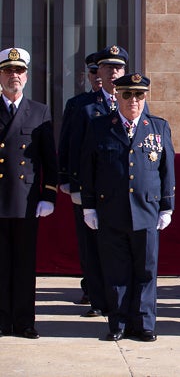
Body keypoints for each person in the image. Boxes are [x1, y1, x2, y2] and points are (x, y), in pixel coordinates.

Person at [81, 73, 175, 342]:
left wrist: (167, 206)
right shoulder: (100, 127)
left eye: (139, 95)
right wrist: (88, 206)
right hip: (112, 211)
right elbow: (88, 169)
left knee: (146, 270)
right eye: (127, 94)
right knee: (116, 270)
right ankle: (119, 323)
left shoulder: (158, 127)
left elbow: (167, 171)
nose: (133, 100)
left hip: (147, 211)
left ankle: (145, 323)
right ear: (117, 96)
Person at [67, 45, 130, 319]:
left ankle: (120, 299)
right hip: (90, 187)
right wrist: (71, 184)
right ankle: (95, 297)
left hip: (121, 189)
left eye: (118, 68)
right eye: (107, 68)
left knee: (119, 244)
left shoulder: (134, 101)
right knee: (91, 245)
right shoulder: (81, 105)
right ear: (98, 74)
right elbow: (70, 145)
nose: (113, 73)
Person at [0, 47, 58, 339]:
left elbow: (50, 159)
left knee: (24, 266)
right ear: (0, 76)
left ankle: (24, 322)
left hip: (26, 202)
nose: (14, 76)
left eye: (19, 71)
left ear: (26, 76)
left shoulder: (39, 111)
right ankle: (2, 320)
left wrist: (48, 195)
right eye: (9, 71)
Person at [58, 51, 101, 306]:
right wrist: (66, 178)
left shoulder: (122, 99)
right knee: (87, 241)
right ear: (87, 75)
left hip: (113, 185)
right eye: (93, 72)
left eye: (102, 71)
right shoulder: (77, 104)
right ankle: (91, 287)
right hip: (83, 183)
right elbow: (66, 144)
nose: (98, 76)